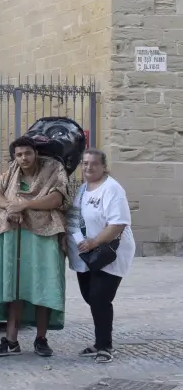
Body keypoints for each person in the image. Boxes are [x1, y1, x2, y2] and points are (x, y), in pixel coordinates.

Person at [0, 136, 70, 358]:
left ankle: (41, 338)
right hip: (16, 234)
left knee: (42, 285)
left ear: (35, 152)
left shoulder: (53, 168)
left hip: (44, 234)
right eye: (19, 155)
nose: (23, 158)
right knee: (16, 287)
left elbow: (57, 198)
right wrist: (10, 207)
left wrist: (26, 204)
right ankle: (11, 339)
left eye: (27, 153)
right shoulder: (12, 171)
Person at [66, 149, 135, 364]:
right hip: (87, 252)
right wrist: (80, 242)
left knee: (100, 297)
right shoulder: (83, 189)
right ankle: (99, 342)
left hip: (110, 252)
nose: (88, 168)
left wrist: (95, 242)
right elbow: (74, 217)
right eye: (85, 163)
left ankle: (104, 345)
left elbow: (118, 224)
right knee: (90, 296)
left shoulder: (112, 189)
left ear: (104, 166)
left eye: (94, 164)